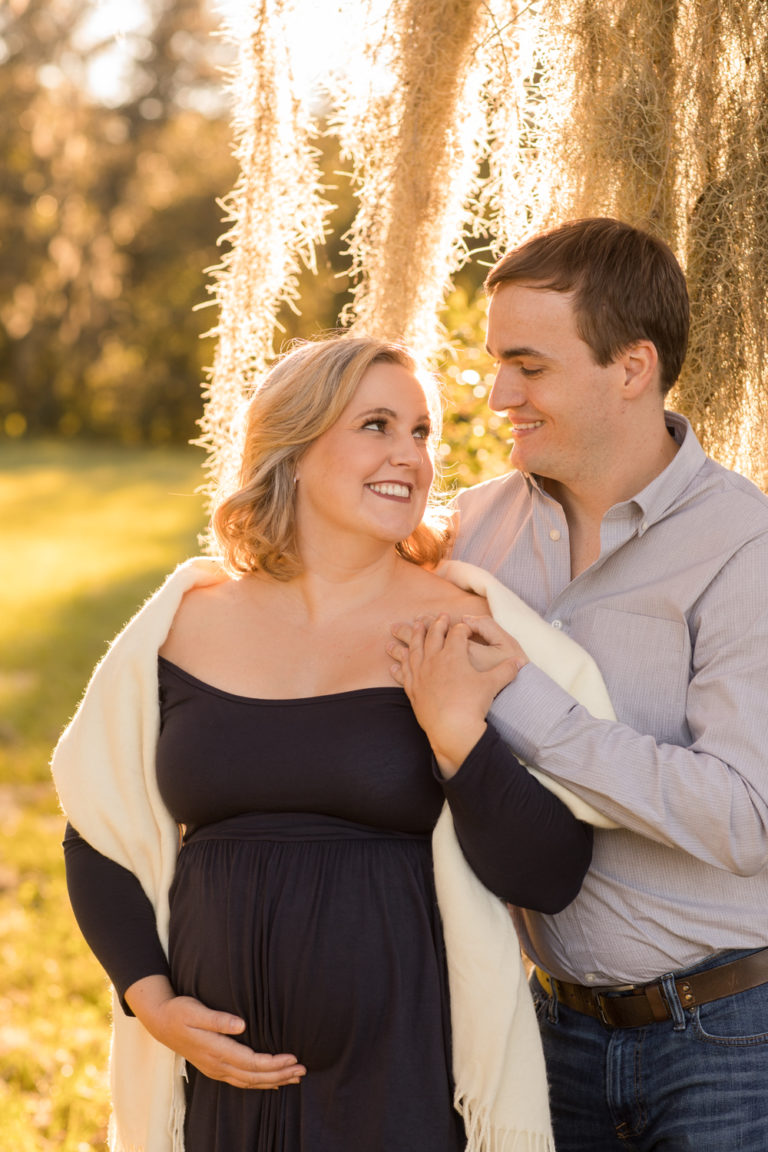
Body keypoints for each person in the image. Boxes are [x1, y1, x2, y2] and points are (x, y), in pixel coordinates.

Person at [51, 334, 607, 1152]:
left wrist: (458, 738)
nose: (410, 456)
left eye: (422, 432)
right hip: (222, 1084)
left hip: (406, 1084)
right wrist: (153, 1003)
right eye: (377, 425)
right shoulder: (182, 623)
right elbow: (93, 834)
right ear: (296, 447)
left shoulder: (468, 626)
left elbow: (550, 872)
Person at [390, 217, 768, 1151]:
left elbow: (745, 816)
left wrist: (529, 708)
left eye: (530, 366)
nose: (496, 394)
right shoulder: (470, 533)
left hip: (726, 1040)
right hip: (540, 1031)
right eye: (495, 362)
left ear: (631, 368)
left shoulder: (744, 547)